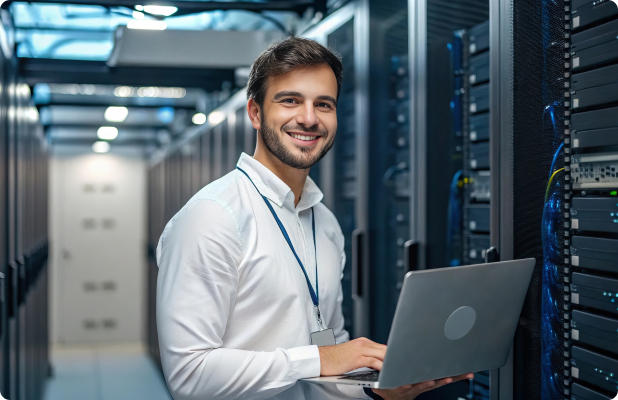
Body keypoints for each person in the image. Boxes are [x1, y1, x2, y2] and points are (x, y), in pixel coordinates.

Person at [156, 36, 473, 400]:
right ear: (255, 113)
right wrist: (317, 359)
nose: (308, 119)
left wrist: (376, 392)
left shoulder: (324, 223)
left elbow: (326, 367)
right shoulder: (212, 218)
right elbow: (189, 376)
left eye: (323, 104)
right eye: (290, 100)